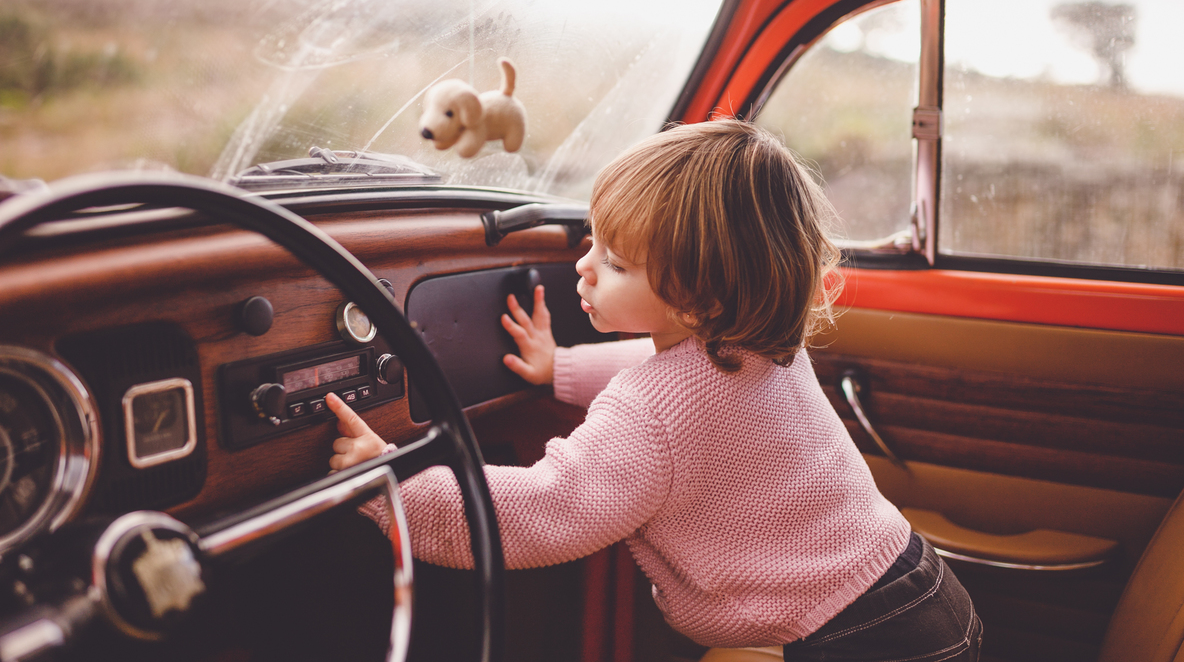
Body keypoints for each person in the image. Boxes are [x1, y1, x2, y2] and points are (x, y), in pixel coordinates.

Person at [325, 120, 982, 660]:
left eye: (615, 263)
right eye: (593, 242)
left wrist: (393, 487)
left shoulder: (652, 413)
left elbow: (548, 510)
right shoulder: (757, 347)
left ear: (699, 299)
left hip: (852, 640)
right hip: (917, 592)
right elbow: (663, 372)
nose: (584, 266)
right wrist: (560, 369)